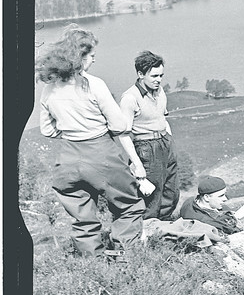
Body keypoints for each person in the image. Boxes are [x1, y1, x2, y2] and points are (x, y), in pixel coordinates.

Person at [38, 24, 145, 256]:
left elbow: (47, 130)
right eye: (91, 56)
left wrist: (70, 132)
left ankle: (92, 263)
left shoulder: (50, 89)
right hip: (100, 152)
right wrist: (94, 128)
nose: (93, 61)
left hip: (67, 158)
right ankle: (127, 260)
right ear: (79, 58)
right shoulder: (94, 85)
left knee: (82, 217)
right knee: (129, 205)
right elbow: (119, 126)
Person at [119, 50, 180, 220]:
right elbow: (123, 135)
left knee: (172, 193)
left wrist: (170, 141)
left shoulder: (160, 91)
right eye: (154, 76)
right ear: (140, 74)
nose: (158, 80)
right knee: (152, 199)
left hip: (165, 143)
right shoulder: (130, 98)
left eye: (161, 75)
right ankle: (148, 236)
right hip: (146, 148)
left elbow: (163, 118)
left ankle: (164, 231)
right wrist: (137, 165)